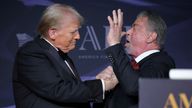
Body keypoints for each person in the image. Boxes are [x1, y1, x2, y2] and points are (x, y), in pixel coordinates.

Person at [12, 3, 118, 108]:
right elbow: (58, 90)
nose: (78, 36)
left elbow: (72, 92)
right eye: (73, 32)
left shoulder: (60, 54)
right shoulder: (31, 53)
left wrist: (98, 81)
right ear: (53, 33)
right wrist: (103, 85)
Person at [96, 9, 175, 108]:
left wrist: (115, 45)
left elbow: (134, 87)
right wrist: (102, 88)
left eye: (134, 27)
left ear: (151, 37)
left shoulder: (162, 62)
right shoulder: (128, 68)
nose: (128, 32)